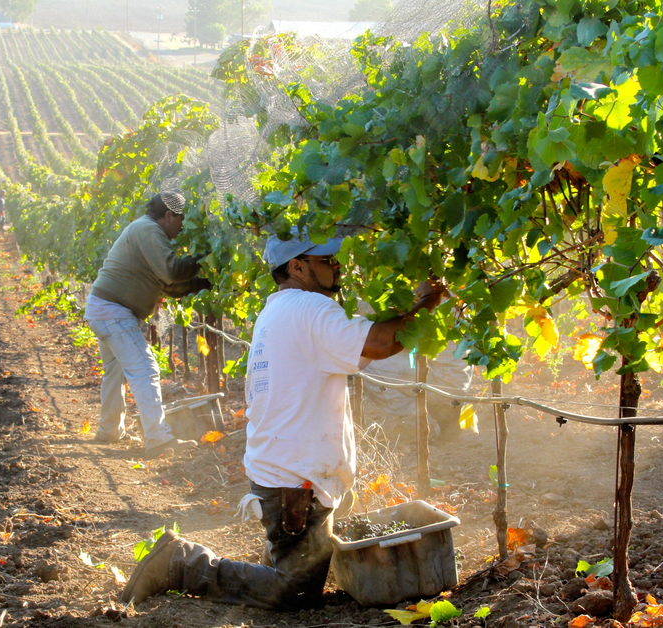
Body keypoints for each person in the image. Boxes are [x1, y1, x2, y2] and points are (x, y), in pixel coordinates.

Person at [119, 229, 445, 609]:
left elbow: (357, 351)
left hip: (285, 473)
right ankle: (181, 563)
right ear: (297, 267)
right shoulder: (310, 309)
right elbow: (378, 343)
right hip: (295, 482)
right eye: (327, 260)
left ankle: (275, 558)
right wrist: (427, 301)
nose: (337, 266)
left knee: (299, 567)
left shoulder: (279, 308)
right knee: (294, 591)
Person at [85, 191, 211, 458]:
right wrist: (204, 255)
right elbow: (173, 272)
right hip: (113, 311)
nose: (182, 227)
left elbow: (170, 287)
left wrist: (207, 284)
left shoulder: (147, 231)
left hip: (105, 308)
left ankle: (109, 429)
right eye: (181, 220)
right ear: (168, 216)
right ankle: (159, 439)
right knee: (145, 368)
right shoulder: (148, 230)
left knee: (116, 372)